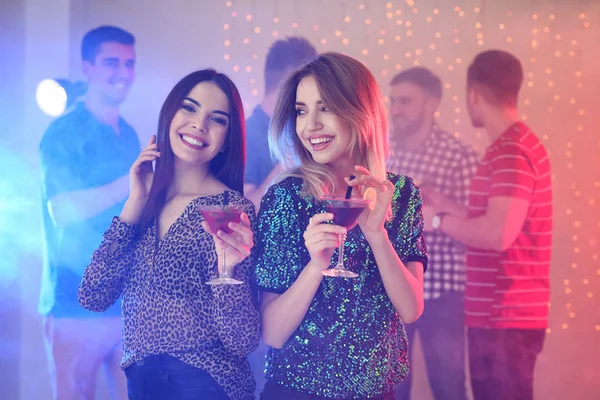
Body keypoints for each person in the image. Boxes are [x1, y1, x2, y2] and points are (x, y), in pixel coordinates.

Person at [78, 69, 260, 400]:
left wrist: (227, 271)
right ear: (170, 114)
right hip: (141, 382)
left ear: (226, 140)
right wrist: (135, 202)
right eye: (189, 108)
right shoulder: (145, 202)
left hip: (205, 383)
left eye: (216, 119)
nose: (199, 124)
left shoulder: (230, 208)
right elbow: (93, 295)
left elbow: (242, 341)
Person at [254, 52, 428, 399]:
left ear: (359, 112)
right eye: (301, 111)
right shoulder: (286, 198)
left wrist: (377, 235)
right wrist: (317, 265)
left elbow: (410, 310)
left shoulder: (400, 194)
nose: (310, 125)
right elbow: (272, 333)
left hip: (374, 391)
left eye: (326, 107)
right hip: (294, 391)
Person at [423, 50, 552, 400]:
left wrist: (436, 220)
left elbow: (498, 235)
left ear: (474, 94)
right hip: (499, 316)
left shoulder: (511, 152)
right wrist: (446, 204)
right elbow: (498, 221)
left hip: (504, 316)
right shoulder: (509, 148)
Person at [39, 25, 139, 400]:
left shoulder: (127, 133)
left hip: (122, 301)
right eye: (112, 62)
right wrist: (127, 183)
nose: (123, 73)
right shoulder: (62, 132)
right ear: (87, 68)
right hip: (72, 303)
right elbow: (61, 211)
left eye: (130, 64)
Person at [387, 67, 479, 400]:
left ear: (432, 103)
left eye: (405, 101)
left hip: (443, 292)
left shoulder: (460, 156)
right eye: (393, 101)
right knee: (393, 386)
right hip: (394, 289)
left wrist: (437, 207)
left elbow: (479, 225)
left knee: (449, 384)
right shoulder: (382, 154)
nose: (395, 109)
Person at [244, 36, 317, 209]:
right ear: (293, 75)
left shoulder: (300, 128)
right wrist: (287, 162)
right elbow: (245, 210)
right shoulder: (247, 134)